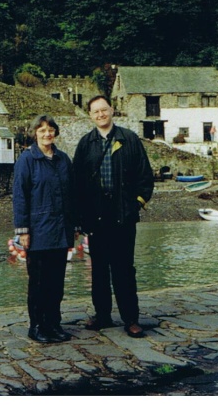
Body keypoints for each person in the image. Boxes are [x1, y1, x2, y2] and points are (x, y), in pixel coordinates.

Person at [73, 95, 154, 338]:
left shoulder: (129, 139)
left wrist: (135, 205)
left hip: (123, 217)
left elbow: (145, 177)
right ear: (90, 115)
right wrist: (80, 217)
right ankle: (103, 316)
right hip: (96, 219)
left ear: (112, 110)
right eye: (95, 111)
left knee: (124, 270)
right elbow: (77, 183)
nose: (100, 115)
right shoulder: (85, 144)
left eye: (104, 110)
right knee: (99, 270)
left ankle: (131, 319)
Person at [12, 114, 75, 343]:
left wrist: (74, 225)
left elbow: (71, 194)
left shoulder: (63, 159)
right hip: (38, 231)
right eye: (42, 130)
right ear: (35, 133)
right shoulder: (27, 159)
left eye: (50, 129)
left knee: (56, 282)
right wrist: (22, 230)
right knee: (38, 283)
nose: (47, 133)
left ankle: (54, 324)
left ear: (55, 132)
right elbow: (20, 196)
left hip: (61, 230)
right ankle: (37, 326)